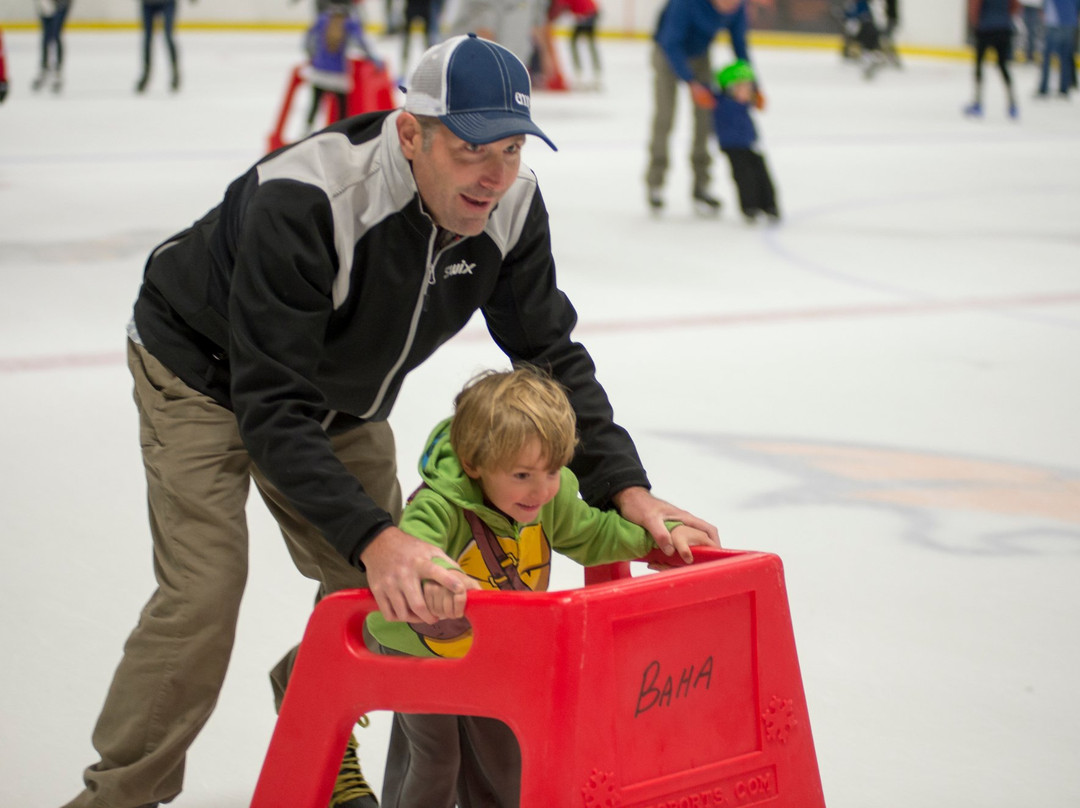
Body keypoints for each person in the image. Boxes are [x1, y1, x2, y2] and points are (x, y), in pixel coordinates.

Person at [61, 32, 718, 808]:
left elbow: (548, 352)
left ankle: (308, 692)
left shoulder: (511, 206)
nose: (495, 174)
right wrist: (376, 536)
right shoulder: (309, 199)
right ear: (412, 133)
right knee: (205, 592)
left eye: (511, 148)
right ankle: (118, 798)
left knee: (386, 590)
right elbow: (270, 407)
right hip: (201, 370)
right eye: (473, 147)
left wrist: (626, 488)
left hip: (339, 392)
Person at [366, 367, 719, 807]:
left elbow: (595, 534)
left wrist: (660, 538)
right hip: (418, 649)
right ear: (475, 463)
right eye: (521, 476)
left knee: (505, 759)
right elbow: (415, 551)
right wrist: (431, 578)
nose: (540, 490)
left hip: (495, 649)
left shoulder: (549, 497)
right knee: (437, 758)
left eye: (552, 471)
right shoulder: (442, 504)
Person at [646, 0, 753, 216]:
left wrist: (752, 83)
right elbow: (670, 42)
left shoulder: (737, 7)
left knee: (705, 120)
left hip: (700, 56)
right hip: (667, 54)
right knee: (665, 118)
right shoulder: (685, 4)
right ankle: (655, 183)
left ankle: (701, 185)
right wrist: (691, 82)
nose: (732, 6)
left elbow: (739, 44)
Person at [711, 59, 779, 223]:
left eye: (749, 87)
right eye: (743, 87)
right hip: (733, 147)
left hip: (749, 144)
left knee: (761, 173)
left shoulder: (742, 104)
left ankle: (769, 205)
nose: (748, 91)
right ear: (729, 88)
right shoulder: (723, 104)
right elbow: (710, 93)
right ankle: (750, 207)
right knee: (744, 176)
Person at [303, 1, 382, 131]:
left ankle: (306, 130)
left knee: (315, 104)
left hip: (319, 71)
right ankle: (340, 131)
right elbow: (361, 43)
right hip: (338, 74)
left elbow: (308, 40)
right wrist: (372, 58)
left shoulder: (323, 19)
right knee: (343, 107)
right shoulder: (350, 23)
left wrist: (312, 56)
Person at [964, 0, 1021, 119]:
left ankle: (978, 103)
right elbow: (1016, 6)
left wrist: (975, 23)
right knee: (1003, 66)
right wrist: (1005, 17)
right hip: (1003, 28)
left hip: (985, 29)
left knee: (979, 65)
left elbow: (975, 6)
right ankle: (1012, 104)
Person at [136, 0, 194, 94]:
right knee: (147, 39)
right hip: (148, 3)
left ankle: (175, 73)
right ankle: (146, 74)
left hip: (168, 2)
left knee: (168, 36)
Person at [549, 0, 602, 89]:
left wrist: (551, 19)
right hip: (588, 13)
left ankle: (589, 72)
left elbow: (559, 8)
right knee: (583, 43)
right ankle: (590, 71)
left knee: (585, 43)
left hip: (588, 14)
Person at [1036, 0, 1078, 96]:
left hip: (1054, 21)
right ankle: (1064, 88)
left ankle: (1044, 87)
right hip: (1069, 21)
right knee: (1065, 58)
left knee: (1047, 56)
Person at [32, 0, 72, 93]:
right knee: (46, 36)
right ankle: (44, 68)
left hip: (60, 4)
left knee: (55, 34)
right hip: (44, 4)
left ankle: (57, 71)